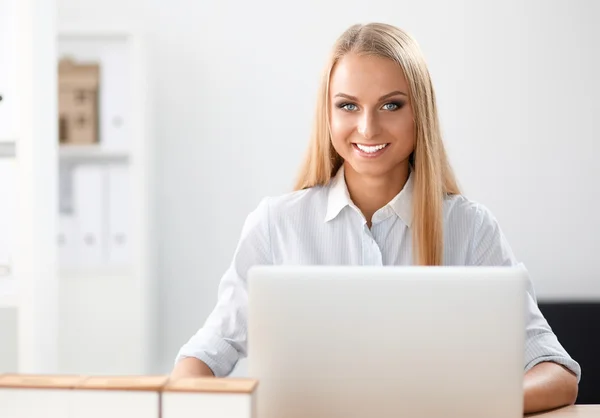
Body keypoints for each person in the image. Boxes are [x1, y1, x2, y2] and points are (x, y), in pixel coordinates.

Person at [171, 22, 580, 413]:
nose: (367, 127)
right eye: (348, 105)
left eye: (391, 104)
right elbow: (198, 362)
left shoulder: (471, 228)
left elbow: (556, 373)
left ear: (419, 111)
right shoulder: (276, 225)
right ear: (327, 115)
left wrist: (462, 408)